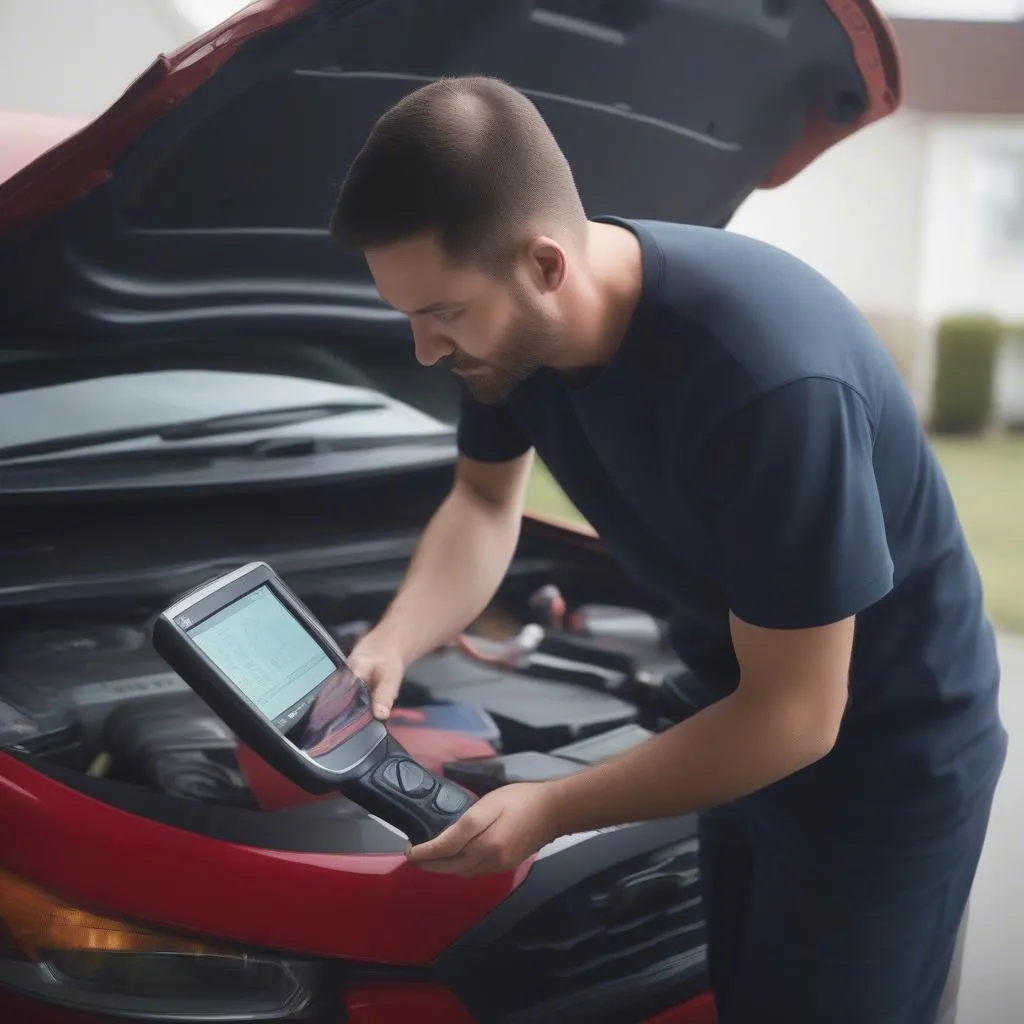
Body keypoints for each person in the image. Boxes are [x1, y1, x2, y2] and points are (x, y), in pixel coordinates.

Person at [327, 75, 1008, 1023]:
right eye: (407, 315)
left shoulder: (767, 382)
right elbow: (485, 502)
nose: (424, 351)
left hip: (882, 768)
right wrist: (397, 641)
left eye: (441, 314)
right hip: (735, 720)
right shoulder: (508, 339)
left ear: (546, 264)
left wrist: (551, 807)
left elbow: (802, 715)